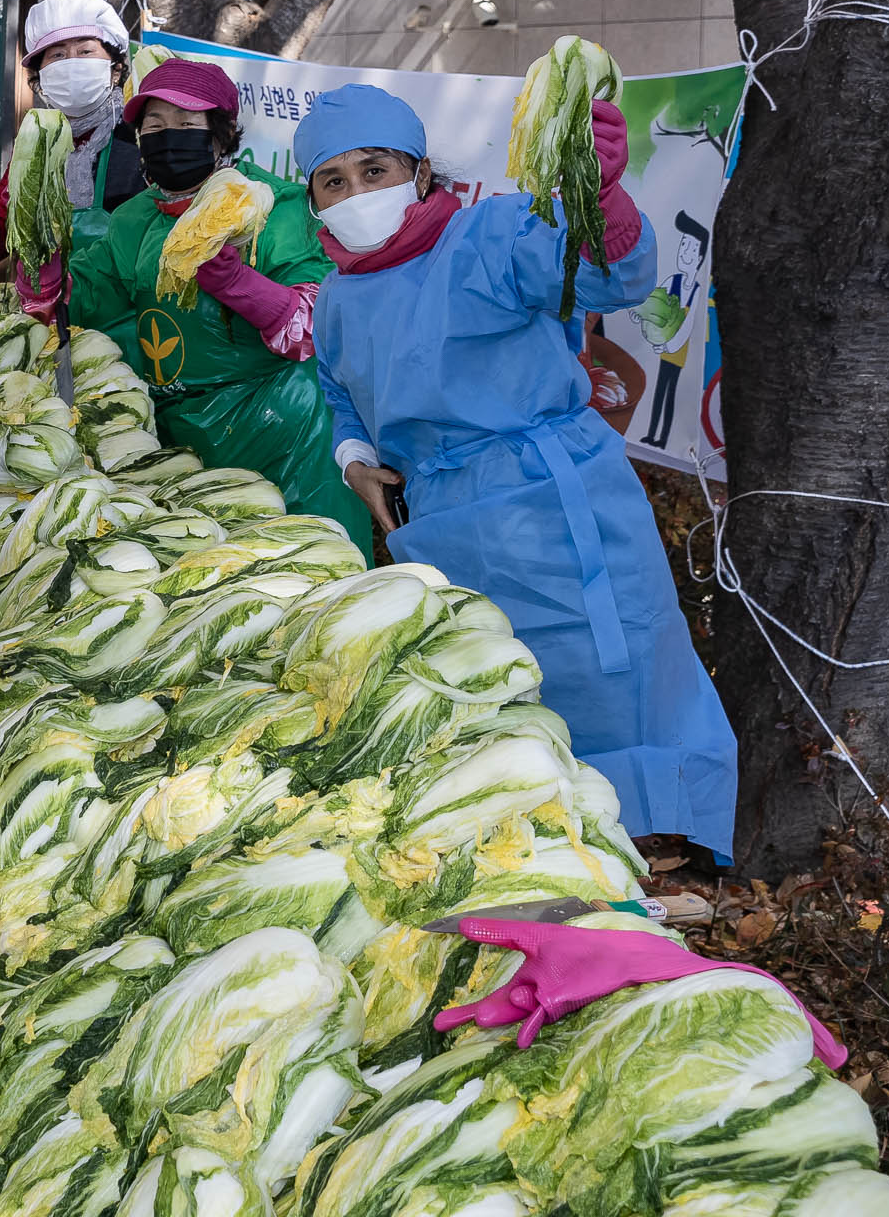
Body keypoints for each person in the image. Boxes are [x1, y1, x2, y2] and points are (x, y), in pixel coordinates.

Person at [296, 82, 740, 861]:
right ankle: (536, 871)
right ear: (314, 202)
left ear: (422, 173)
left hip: (557, 512)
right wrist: (357, 460)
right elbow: (342, 391)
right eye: (334, 182)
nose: (357, 194)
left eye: (375, 170)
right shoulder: (336, 299)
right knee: (495, 708)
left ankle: (657, 872)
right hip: (442, 532)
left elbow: (610, 277)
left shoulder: (490, 237)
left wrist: (599, 197)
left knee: (616, 685)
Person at [69, 59, 377, 557]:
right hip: (177, 431)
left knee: (311, 566)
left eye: (188, 126)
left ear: (222, 134)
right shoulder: (133, 219)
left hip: (279, 424)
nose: (169, 138)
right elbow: (86, 301)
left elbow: (320, 323)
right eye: (154, 127)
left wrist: (238, 283)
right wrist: (44, 280)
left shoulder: (276, 206)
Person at [0, 0, 143, 319]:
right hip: (43, 331)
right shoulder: (36, 147)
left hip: (125, 336)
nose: (72, 64)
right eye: (58, 55)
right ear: (41, 76)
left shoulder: (139, 141)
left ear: (116, 68)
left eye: (86, 51)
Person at [641, 209, 710, 451]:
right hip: (663, 348)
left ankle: (663, 438)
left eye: (691, 249)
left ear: (701, 257)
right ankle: (651, 434)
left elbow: (688, 324)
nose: (685, 253)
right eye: (683, 246)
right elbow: (652, 300)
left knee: (671, 392)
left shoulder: (697, 290)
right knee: (659, 389)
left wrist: (668, 345)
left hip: (677, 351)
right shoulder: (673, 281)